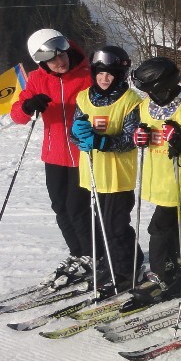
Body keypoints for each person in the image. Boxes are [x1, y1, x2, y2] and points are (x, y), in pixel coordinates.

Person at [10, 29, 93, 283]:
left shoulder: (87, 76)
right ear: (42, 62)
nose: (60, 61)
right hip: (53, 154)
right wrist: (28, 106)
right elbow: (17, 116)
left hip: (82, 153)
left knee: (77, 208)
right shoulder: (37, 79)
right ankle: (77, 253)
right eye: (52, 59)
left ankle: (92, 254)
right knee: (60, 207)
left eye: (62, 55)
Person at [127, 57, 181, 307]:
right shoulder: (145, 106)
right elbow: (135, 131)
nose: (147, 95)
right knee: (177, 225)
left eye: (150, 90)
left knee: (160, 227)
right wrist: (139, 137)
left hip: (180, 178)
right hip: (157, 178)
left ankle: (162, 275)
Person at [70, 45, 143, 293]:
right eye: (100, 73)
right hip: (93, 173)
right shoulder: (83, 97)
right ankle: (111, 262)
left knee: (116, 226)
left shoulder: (130, 101)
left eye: (110, 74)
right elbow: (74, 132)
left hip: (117, 175)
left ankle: (126, 270)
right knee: (101, 223)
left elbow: (132, 138)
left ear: (120, 75)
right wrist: (78, 135)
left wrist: (101, 141)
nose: (104, 79)